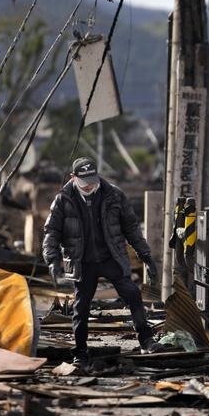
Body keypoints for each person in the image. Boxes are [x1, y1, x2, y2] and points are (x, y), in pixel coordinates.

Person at [42, 157, 159, 369]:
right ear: (73, 178)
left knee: (132, 294)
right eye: (84, 181)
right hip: (83, 262)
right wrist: (52, 260)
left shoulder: (114, 194)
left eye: (93, 180)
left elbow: (131, 228)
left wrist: (146, 256)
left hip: (111, 258)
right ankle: (80, 353)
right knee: (81, 308)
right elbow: (51, 233)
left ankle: (146, 339)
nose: (89, 185)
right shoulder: (63, 199)